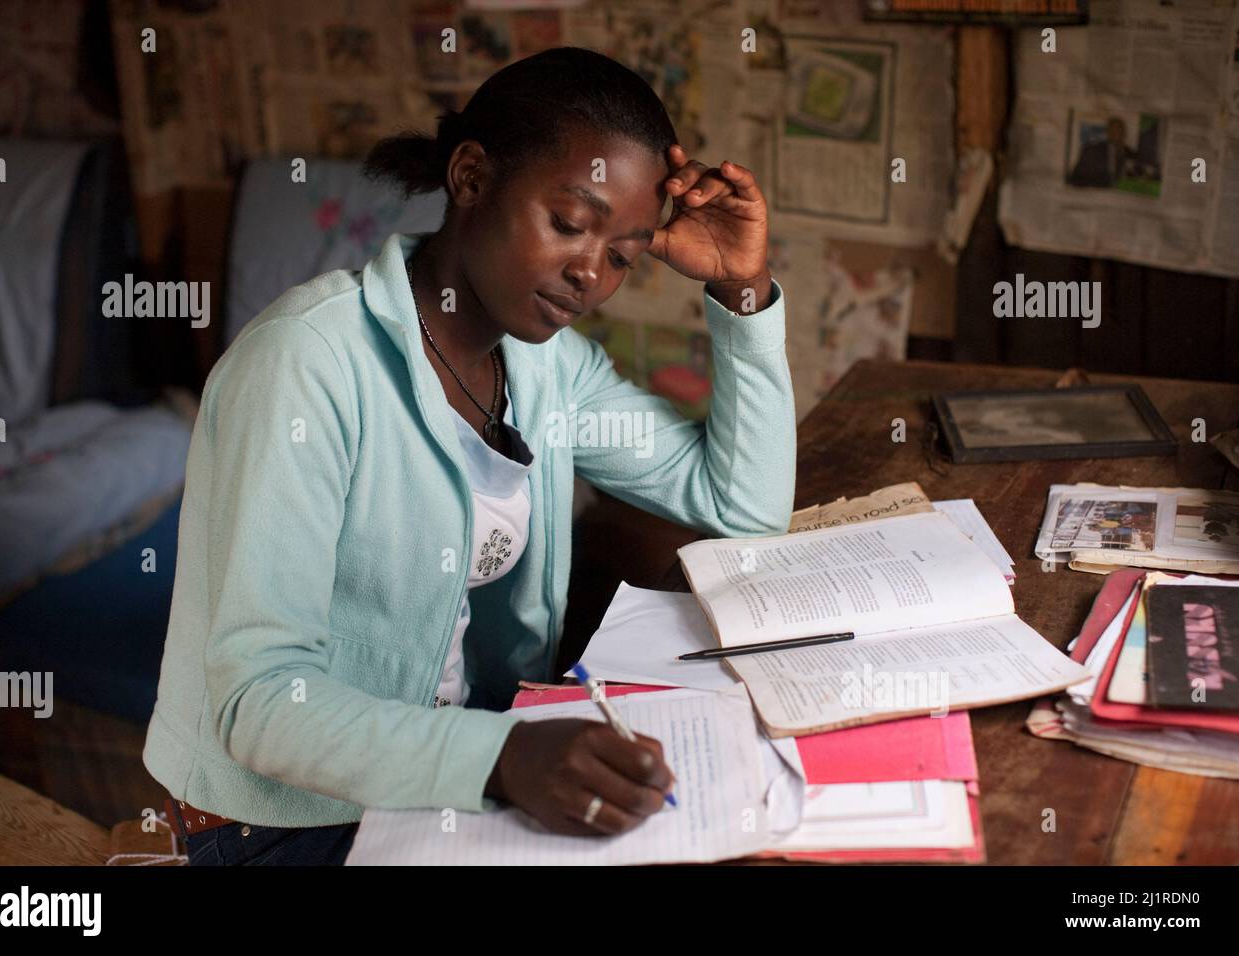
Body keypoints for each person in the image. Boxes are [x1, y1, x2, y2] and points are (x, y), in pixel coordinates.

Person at [145, 46, 795, 865]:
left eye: (624, 255)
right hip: (276, 822)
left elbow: (740, 505)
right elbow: (258, 702)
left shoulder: (544, 366)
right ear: (472, 178)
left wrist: (742, 288)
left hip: (454, 782)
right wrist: (502, 759)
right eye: (569, 222)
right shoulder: (305, 366)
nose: (591, 272)